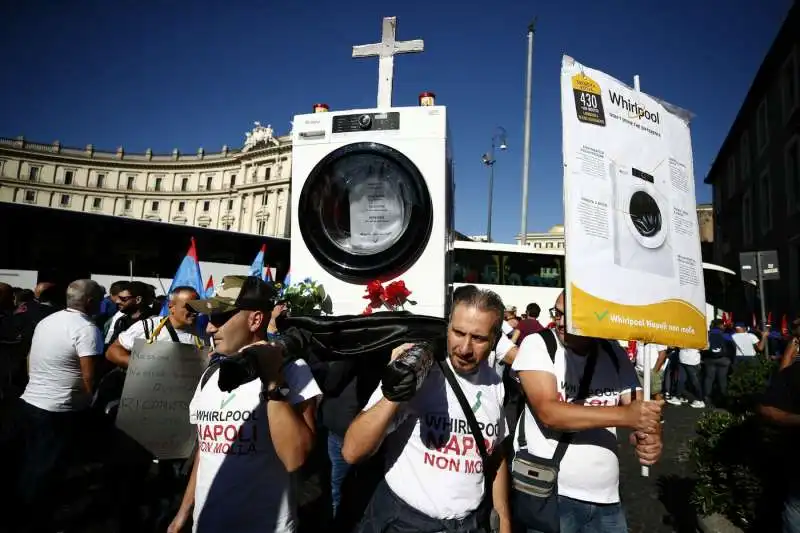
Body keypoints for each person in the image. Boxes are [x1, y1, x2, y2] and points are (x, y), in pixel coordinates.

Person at [343, 285, 512, 533]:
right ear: (447, 328)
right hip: (406, 523)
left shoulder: (495, 383)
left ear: (495, 340)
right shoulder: (419, 371)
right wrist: (395, 392)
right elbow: (352, 452)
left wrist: (504, 520)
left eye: (478, 338)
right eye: (458, 332)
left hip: (469, 525)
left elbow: (495, 454)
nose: (465, 348)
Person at [169, 275, 321, 533]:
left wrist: (273, 381)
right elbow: (207, 453)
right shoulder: (211, 373)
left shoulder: (294, 371)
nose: (209, 328)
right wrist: (183, 514)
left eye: (219, 318)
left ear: (255, 319)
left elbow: (296, 458)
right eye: (209, 319)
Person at [513, 290, 663, 533]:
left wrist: (650, 438)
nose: (560, 321)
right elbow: (549, 413)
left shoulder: (613, 351)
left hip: (607, 500)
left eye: (568, 315)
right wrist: (626, 416)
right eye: (557, 313)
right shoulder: (539, 344)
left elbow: (638, 413)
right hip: (553, 493)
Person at [13, 279, 105, 529]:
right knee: (46, 468)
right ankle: (35, 519)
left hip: (30, 401)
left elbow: (30, 358)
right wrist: (85, 403)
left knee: (28, 463)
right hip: (58, 409)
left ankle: (23, 512)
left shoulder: (48, 320)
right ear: (90, 302)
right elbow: (89, 376)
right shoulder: (87, 329)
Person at [106, 286, 204, 369]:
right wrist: (141, 366)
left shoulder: (206, 332)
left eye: (198, 307)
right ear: (171, 307)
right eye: (190, 307)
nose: (195, 312)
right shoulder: (148, 327)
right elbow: (112, 351)